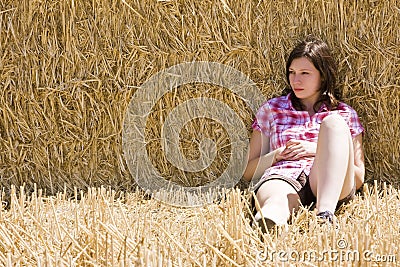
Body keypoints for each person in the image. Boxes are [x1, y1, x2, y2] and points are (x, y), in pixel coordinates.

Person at [243, 36, 365, 231]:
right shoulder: (271, 110)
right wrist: (276, 155)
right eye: (292, 72)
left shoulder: (345, 114)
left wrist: (319, 151)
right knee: (276, 202)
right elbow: (248, 172)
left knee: (333, 123)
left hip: (330, 183)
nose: (295, 80)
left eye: (305, 73)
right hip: (284, 176)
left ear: (323, 75)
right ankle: (270, 220)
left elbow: (358, 178)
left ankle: (325, 215)